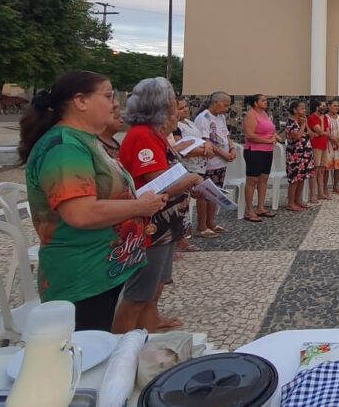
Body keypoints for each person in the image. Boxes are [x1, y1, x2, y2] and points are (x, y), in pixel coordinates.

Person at [19, 71, 165, 332]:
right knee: (87, 354)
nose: (116, 103)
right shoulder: (64, 147)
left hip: (102, 268)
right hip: (81, 274)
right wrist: (139, 206)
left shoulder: (87, 141)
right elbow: (81, 213)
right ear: (80, 102)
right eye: (108, 96)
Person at [116, 78, 202, 333]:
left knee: (159, 279)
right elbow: (158, 182)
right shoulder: (143, 136)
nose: (177, 110)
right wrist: (194, 179)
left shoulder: (156, 135)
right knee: (139, 290)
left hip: (166, 221)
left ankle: (150, 320)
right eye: (173, 103)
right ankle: (121, 341)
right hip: (151, 222)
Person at [171, 98, 213, 254]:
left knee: (194, 199)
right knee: (182, 203)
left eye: (186, 106)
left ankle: (185, 236)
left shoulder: (189, 122)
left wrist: (207, 146)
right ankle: (180, 238)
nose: (185, 110)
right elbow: (181, 148)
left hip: (199, 165)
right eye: (180, 108)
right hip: (187, 166)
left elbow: (202, 139)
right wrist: (204, 150)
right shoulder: (175, 127)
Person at [193, 92, 236, 237]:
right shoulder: (203, 118)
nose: (226, 109)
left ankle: (211, 222)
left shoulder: (221, 117)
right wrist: (223, 154)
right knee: (204, 194)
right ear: (216, 102)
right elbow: (206, 141)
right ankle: (201, 225)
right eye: (225, 105)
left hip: (221, 163)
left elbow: (226, 136)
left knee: (215, 194)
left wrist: (232, 148)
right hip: (208, 163)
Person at [242, 94, 278, 221]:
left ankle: (261, 207)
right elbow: (250, 135)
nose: (266, 102)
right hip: (254, 151)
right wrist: (266, 141)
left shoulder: (265, 114)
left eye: (266, 100)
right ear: (256, 103)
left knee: (263, 179)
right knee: (252, 180)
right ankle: (249, 210)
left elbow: (269, 130)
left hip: (267, 151)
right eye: (263, 100)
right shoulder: (251, 115)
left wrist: (274, 137)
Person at [284, 100, 314, 211]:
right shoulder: (291, 122)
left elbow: (311, 135)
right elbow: (296, 136)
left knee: (302, 178)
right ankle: (291, 203)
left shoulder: (302, 122)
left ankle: (298, 200)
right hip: (295, 154)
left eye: (304, 108)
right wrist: (302, 125)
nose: (304, 110)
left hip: (305, 153)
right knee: (294, 179)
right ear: (295, 110)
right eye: (302, 108)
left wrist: (305, 124)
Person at [308, 100, 331, 200]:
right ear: (317, 107)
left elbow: (327, 131)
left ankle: (321, 193)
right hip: (315, 146)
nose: (324, 108)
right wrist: (322, 132)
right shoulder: (312, 117)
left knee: (322, 169)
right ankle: (313, 193)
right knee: (315, 170)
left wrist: (322, 132)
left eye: (325, 106)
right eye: (322, 106)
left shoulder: (325, 117)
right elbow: (320, 131)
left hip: (324, 145)